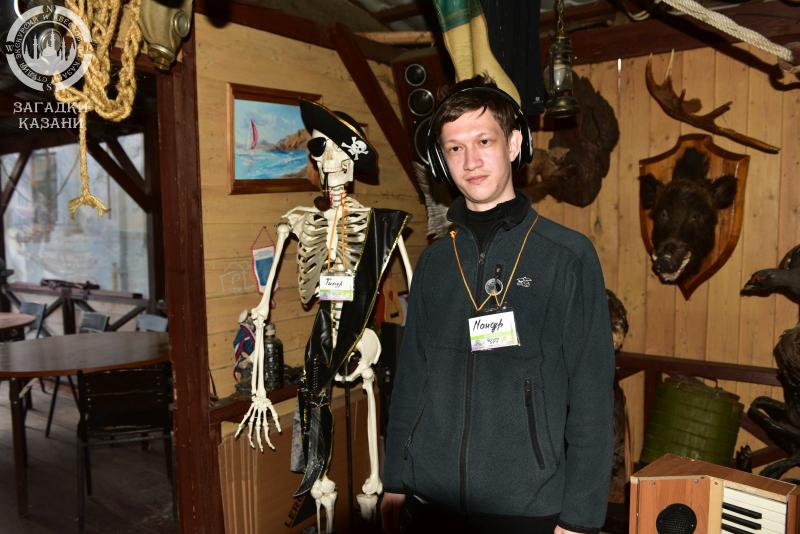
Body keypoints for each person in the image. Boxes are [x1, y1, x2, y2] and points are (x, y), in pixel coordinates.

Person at [380, 75, 615, 534]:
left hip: (527, 507)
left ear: (513, 145)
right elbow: (411, 379)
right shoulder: (434, 262)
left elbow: (592, 396)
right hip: (432, 503)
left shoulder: (567, 257)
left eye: (483, 141)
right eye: (455, 148)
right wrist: (395, 478)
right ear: (442, 161)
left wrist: (581, 517)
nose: (470, 161)